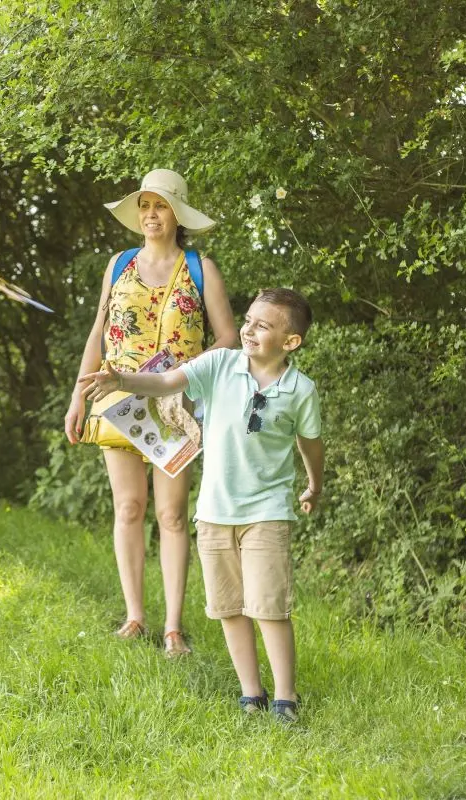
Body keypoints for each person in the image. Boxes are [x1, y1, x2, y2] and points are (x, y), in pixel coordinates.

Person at [78, 288, 323, 723]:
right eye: (247, 320)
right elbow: (166, 382)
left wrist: (314, 483)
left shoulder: (300, 390)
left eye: (263, 325)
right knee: (229, 607)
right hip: (213, 512)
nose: (248, 329)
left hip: (267, 512)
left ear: (290, 342)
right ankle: (252, 694)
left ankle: (286, 698)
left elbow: (309, 443)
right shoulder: (219, 365)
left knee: (268, 607)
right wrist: (122, 381)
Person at [64, 169, 238, 657]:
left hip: (174, 404)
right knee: (129, 508)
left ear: (177, 214)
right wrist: (78, 396)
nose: (150, 215)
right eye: (144, 206)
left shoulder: (200, 268)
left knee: (171, 514)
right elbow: (99, 335)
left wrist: (183, 373)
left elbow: (227, 338)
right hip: (117, 400)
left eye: (159, 206)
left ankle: (174, 628)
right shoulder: (118, 265)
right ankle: (135, 616)